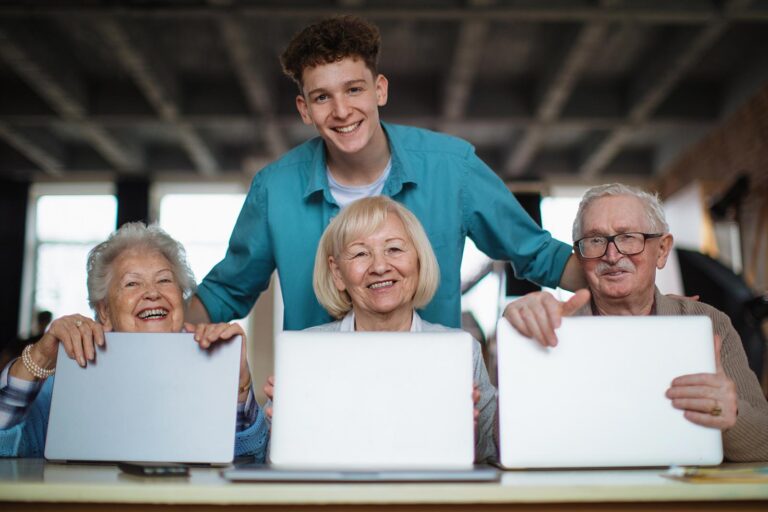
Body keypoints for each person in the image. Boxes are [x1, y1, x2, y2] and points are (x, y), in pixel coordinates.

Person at [188, 15, 583, 331]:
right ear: (304, 109)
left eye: (354, 90)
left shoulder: (452, 167)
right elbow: (225, 291)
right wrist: (142, 332)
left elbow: (537, 254)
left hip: (426, 384)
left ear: (379, 90)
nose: (341, 111)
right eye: (322, 97)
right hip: (320, 395)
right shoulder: (274, 189)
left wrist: (629, 287)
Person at [504, 183, 768, 462]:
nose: (612, 255)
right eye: (595, 240)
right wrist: (518, 330)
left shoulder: (707, 323)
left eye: (628, 237)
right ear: (580, 257)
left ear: (662, 250)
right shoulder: (547, 329)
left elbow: (764, 445)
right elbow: (505, 442)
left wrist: (731, 415)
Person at [0, 222, 268, 460]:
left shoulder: (213, 360)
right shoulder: (74, 367)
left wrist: (239, 385)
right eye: (132, 284)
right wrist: (38, 358)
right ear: (104, 312)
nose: (152, 293)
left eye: (164, 280)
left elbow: (249, 458)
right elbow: (5, 444)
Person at [265, 196, 497, 462]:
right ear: (338, 273)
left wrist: (472, 437)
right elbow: (266, 455)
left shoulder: (463, 352)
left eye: (395, 249)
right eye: (361, 253)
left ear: (418, 261)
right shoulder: (303, 354)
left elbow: (492, 452)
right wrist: (283, 429)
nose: (379, 266)